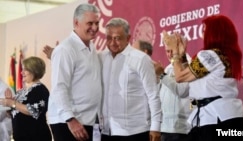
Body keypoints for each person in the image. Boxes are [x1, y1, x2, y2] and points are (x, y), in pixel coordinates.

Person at [163, 14, 243, 141]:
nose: (202, 32)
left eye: (205, 28)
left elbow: (180, 77)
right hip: (229, 118)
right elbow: (190, 75)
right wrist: (182, 55)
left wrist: (175, 52)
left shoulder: (210, 55)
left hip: (216, 119)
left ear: (215, 32)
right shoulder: (224, 55)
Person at [99, 17, 161, 141]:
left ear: (128, 38)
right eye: (109, 38)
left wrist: (156, 127)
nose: (112, 42)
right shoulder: (100, 58)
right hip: (107, 131)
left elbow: (153, 95)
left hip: (135, 131)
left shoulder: (141, 59)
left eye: (117, 38)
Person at [46, 3, 102, 141]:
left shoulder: (91, 47)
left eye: (97, 23)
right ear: (76, 22)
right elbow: (59, 88)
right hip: (68, 122)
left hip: (85, 120)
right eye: (90, 23)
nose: (94, 28)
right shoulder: (65, 49)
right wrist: (70, 119)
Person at [0, 56, 52, 141]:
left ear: (34, 70)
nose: (21, 73)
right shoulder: (20, 92)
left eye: (25, 70)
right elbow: (14, 113)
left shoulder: (40, 89)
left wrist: (12, 103)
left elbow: (33, 110)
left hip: (36, 137)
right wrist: (9, 106)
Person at [159, 42, 192, 141]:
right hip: (165, 128)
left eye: (171, 51)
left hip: (183, 129)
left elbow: (181, 91)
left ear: (180, 49)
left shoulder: (189, 65)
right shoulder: (168, 68)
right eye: (167, 51)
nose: (169, 55)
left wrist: (161, 75)